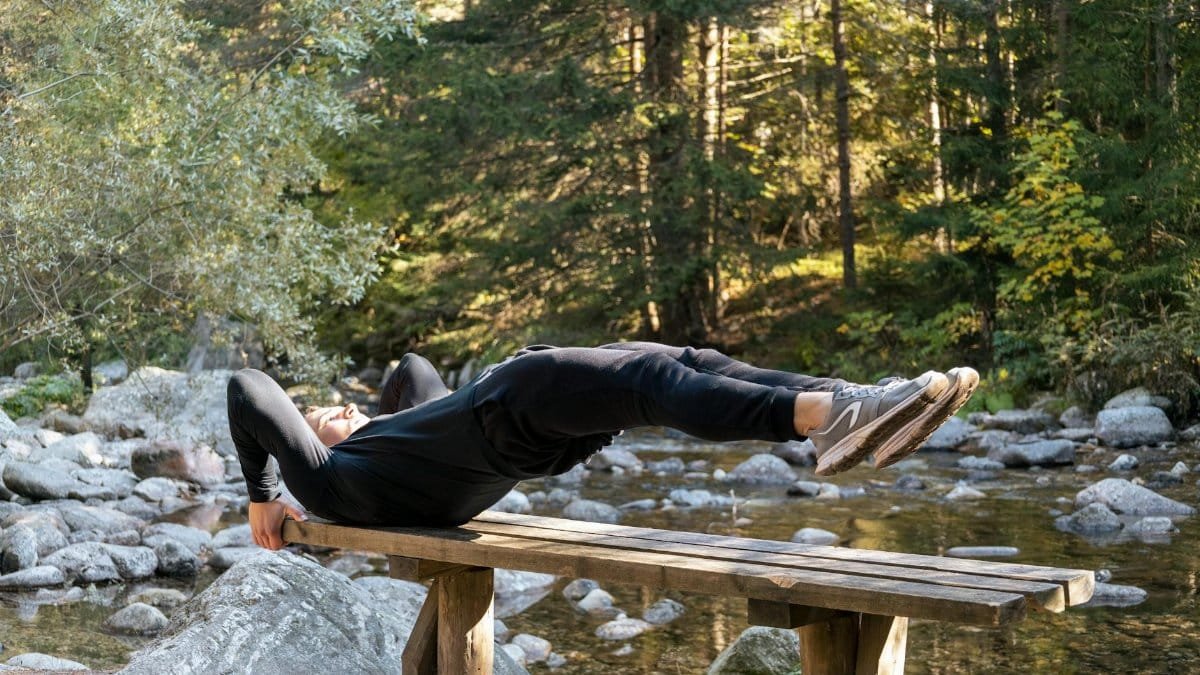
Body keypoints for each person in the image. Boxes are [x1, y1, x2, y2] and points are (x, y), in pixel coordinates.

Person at [229, 342, 977, 550]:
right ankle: (829, 416)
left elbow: (412, 372)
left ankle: (863, 403)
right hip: (513, 404)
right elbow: (250, 390)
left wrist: (364, 420)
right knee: (657, 377)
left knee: (691, 363)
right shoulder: (335, 482)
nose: (337, 407)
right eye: (324, 415)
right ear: (315, 450)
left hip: (525, 440)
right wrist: (266, 494)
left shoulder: (392, 445)